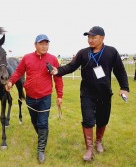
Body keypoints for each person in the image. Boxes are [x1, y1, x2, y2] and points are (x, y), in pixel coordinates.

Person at [52, 26, 129, 161]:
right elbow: (71, 66)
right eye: (89, 37)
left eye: (93, 37)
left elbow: (120, 71)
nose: (90, 40)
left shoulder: (111, 52)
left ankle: (98, 141)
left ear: (102, 38)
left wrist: (124, 88)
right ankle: (89, 148)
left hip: (105, 94)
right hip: (87, 94)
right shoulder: (83, 53)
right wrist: (58, 71)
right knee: (88, 120)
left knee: (102, 120)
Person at [5, 34, 63, 163]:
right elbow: (18, 72)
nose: (44, 46)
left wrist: (59, 95)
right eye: (41, 44)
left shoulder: (53, 59)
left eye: (46, 44)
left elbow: (58, 78)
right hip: (30, 97)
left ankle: (41, 150)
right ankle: (43, 135)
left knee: (43, 123)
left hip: (45, 97)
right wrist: (10, 82)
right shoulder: (27, 58)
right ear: (35, 45)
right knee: (35, 122)